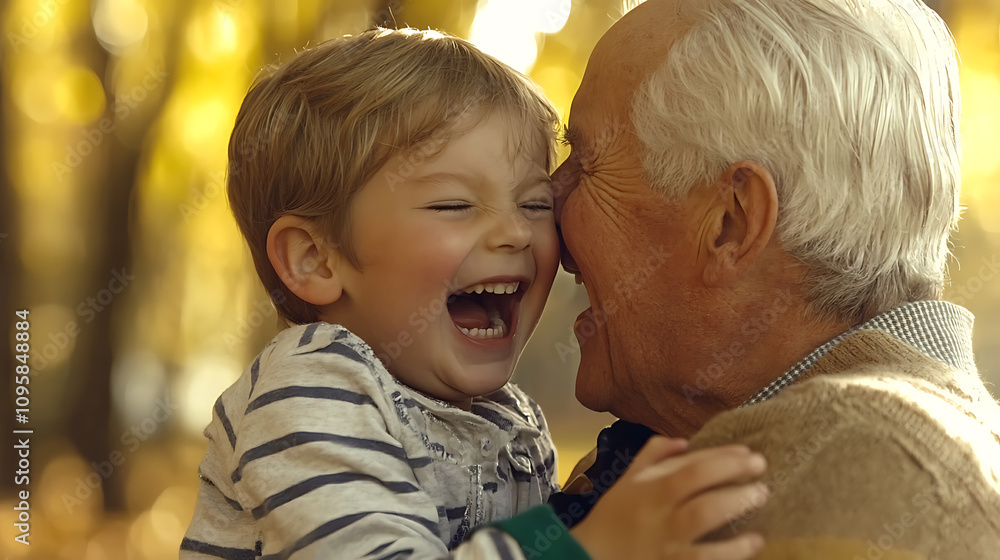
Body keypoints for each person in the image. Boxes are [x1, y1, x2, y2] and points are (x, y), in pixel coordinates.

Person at [179, 28, 771, 560]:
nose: (517, 232)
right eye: (454, 206)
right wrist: (591, 547)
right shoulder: (311, 391)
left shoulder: (513, 423)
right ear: (316, 259)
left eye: (536, 204)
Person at [547, 0, 1000, 557]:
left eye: (585, 161)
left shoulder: (846, 473)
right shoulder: (905, 447)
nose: (544, 203)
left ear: (731, 224)